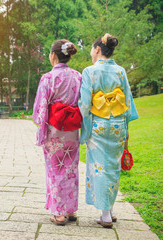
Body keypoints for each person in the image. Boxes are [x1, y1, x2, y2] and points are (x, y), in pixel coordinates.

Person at [78, 33, 139, 228]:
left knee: (99, 167)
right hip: (118, 125)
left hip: (99, 124)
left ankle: (105, 215)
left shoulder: (89, 71)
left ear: (97, 49)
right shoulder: (121, 71)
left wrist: (84, 128)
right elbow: (127, 100)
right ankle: (110, 210)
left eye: (91, 48)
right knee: (113, 166)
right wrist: (126, 129)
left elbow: (86, 104)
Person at [33, 39, 82, 226]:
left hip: (54, 130)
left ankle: (58, 213)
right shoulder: (78, 76)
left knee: (55, 169)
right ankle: (71, 210)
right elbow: (82, 103)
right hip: (71, 130)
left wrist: (41, 125)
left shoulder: (48, 78)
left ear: (53, 55)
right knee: (70, 169)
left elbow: (40, 108)